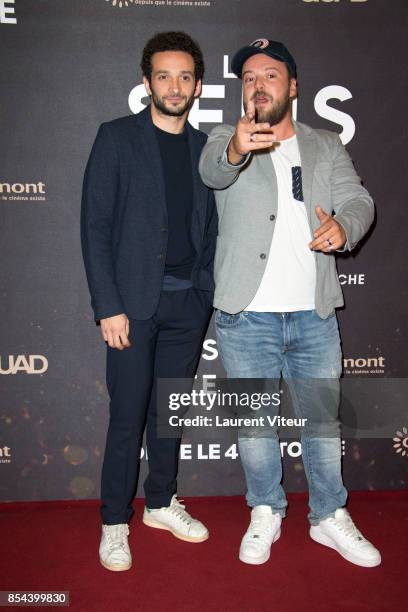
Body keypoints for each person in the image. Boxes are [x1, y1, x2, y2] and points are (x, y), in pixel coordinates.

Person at [199, 38, 381, 568]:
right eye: (249, 77)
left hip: (314, 315)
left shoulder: (325, 145)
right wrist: (237, 146)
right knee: (254, 427)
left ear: (293, 86)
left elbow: (358, 200)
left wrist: (343, 225)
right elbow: (214, 171)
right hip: (246, 316)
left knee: (323, 425)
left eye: (271, 75)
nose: (259, 84)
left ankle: (329, 516)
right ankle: (265, 511)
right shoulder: (223, 138)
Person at [81, 31, 217, 572]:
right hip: (131, 308)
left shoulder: (205, 148)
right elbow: (95, 227)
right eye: (164, 75)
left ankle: (161, 502)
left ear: (198, 85)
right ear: (146, 82)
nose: (175, 85)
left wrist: (205, 292)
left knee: (167, 416)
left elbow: (210, 229)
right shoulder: (116, 138)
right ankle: (115, 520)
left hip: (189, 307)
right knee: (128, 416)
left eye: (185, 76)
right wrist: (106, 306)